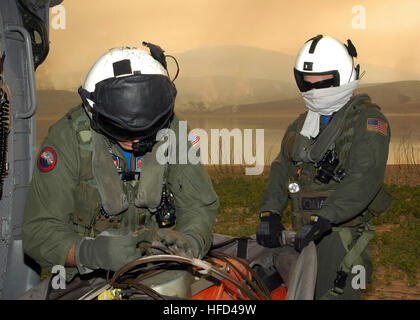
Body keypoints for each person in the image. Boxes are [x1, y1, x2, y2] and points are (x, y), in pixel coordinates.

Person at [22, 43, 219, 284]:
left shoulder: (173, 132)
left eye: (147, 127)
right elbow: (38, 231)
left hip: (153, 267)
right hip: (86, 275)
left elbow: (199, 204)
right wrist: (91, 253)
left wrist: (192, 240)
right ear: (94, 113)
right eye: (121, 128)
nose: (135, 139)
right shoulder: (68, 138)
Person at [256, 35, 392, 300]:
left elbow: (365, 177)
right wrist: (270, 212)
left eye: (323, 83)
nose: (314, 90)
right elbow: (282, 167)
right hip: (302, 233)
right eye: (308, 84)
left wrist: (326, 217)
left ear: (342, 76)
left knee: (337, 293)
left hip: (340, 235)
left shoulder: (368, 121)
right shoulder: (302, 124)